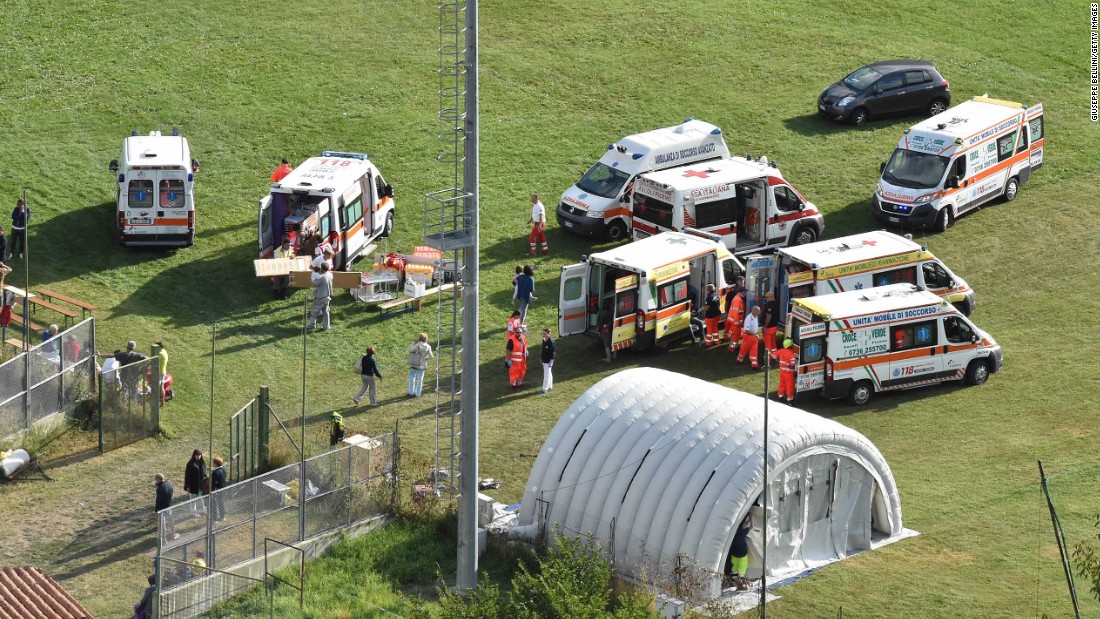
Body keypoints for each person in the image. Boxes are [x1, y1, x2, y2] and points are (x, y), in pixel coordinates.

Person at [306, 262, 333, 332]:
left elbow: (315, 284)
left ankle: (312, 325)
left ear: (321, 269)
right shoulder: (330, 275)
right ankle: (326, 327)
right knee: (326, 313)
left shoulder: (322, 277)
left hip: (319, 298)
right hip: (327, 296)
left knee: (314, 313)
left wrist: (313, 278)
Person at [729, 515, 753, 590]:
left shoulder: (732, 534)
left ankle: (734, 583)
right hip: (742, 554)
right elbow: (751, 527)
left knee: (734, 569)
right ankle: (741, 584)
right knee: (742, 569)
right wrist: (751, 517)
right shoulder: (742, 532)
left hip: (734, 554)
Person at [406, 333, 433, 397]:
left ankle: (411, 392)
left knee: (412, 378)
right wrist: (426, 358)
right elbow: (431, 356)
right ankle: (418, 393)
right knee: (420, 380)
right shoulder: (428, 346)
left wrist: (413, 343)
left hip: (414, 364)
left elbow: (410, 350)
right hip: (422, 365)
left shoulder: (416, 344)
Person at [773, 339, 798, 403]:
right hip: (788, 374)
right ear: (789, 346)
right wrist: (792, 366)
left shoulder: (781, 351)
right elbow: (793, 363)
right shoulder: (791, 353)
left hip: (782, 372)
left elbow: (773, 356)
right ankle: (790, 399)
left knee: (782, 384)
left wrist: (778, 361)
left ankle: (780, 395)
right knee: (790, 385)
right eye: (792, 345)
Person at [737, 306, 762, 370]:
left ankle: (754, 366)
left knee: (754, 352)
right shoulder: (748, 318)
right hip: (748, 337)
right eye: (758, 310)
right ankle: (739, 360)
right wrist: (755, 335)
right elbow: (747, 330)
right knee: (743, 350)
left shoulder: (755, 316)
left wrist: (755, 335)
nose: (759, 312)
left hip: (754, 336)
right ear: (754, 311)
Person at [183, 449, 207, 513]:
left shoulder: (202, 462)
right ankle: (194, 511)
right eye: (197, 455)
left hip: (202, 484)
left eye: (199, 455)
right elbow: (187, 476)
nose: (198, 456)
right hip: (193, 485)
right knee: (193, 499)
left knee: (203, 498)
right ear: (194, 455)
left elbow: (205, 472)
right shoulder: (190, 464)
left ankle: (205, 510)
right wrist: (188, 486)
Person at [725, 281, 745, 352]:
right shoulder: (738, 299)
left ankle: (734, 346)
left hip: (734, 320)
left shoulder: (738, 298)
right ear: (742, 292)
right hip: (735, 321)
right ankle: (732, 348)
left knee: (736, 335)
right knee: (735, 336)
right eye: (745, 292)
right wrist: (737, 322)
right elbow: (736, 312)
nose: (745, 293)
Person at [154, 473, 175, 539]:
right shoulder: (169, 484)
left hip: (162, 509)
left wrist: (156, 510)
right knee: (171, 520)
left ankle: (164, 539)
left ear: (158, 479)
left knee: (162, 524)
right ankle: (173, 534)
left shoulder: (160, 488)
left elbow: (158, 500)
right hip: (169, 505)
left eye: (156, 479)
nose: (155, 481)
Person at [538, 328, 555, 394]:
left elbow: (553, 352)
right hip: (545, 360)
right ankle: (550, 386)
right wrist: (542, 358)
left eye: (545, 333)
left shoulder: (551, 342)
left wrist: (551, 360)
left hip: (548, 361)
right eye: (543, 333)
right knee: (549, 373)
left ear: (549, 333)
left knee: (546, 375)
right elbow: (543, 351)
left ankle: (544, 389)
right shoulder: (544, 340)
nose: (544, 335)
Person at [210, 457, 227, 521]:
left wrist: (212, 472)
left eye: (213, 463)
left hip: (216, 490)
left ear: (215, 464)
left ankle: (215, 519)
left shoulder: (215, 472)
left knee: (214, 504)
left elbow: (214, 482)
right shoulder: (223, 469)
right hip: (223, 489)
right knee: (221, 503)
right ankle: (222, 517)